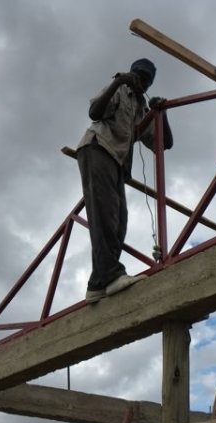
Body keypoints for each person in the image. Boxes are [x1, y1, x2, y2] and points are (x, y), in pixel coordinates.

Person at [76, 58, 173, 303]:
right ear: (131, 75)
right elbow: (94, 112)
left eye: (146, 80)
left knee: (119, 221)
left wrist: (160, 113)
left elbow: (165, 144)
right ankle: (110, 275)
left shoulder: (141, 109)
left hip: (118, 162)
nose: (141, 83)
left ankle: (98, 283)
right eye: (138, 77)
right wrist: (119, 81)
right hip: (98, 149)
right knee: (104, 213)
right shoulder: (120, 89)